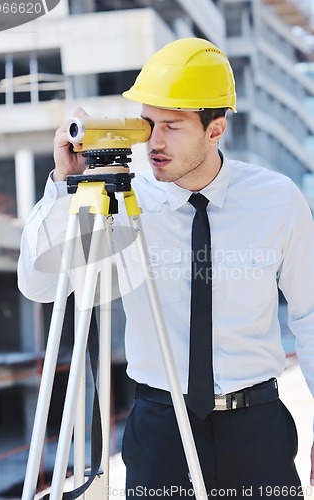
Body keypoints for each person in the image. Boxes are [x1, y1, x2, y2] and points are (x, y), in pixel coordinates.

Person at [18, 38, 314, 499]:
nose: (153, 142)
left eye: (172, 127)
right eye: (148, 123)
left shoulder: (278, 200)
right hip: (160, 428)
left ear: (215, 130)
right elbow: (39, 286)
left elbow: (310, 313)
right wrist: (64, 189)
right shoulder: (122, 198)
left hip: (258, 426)